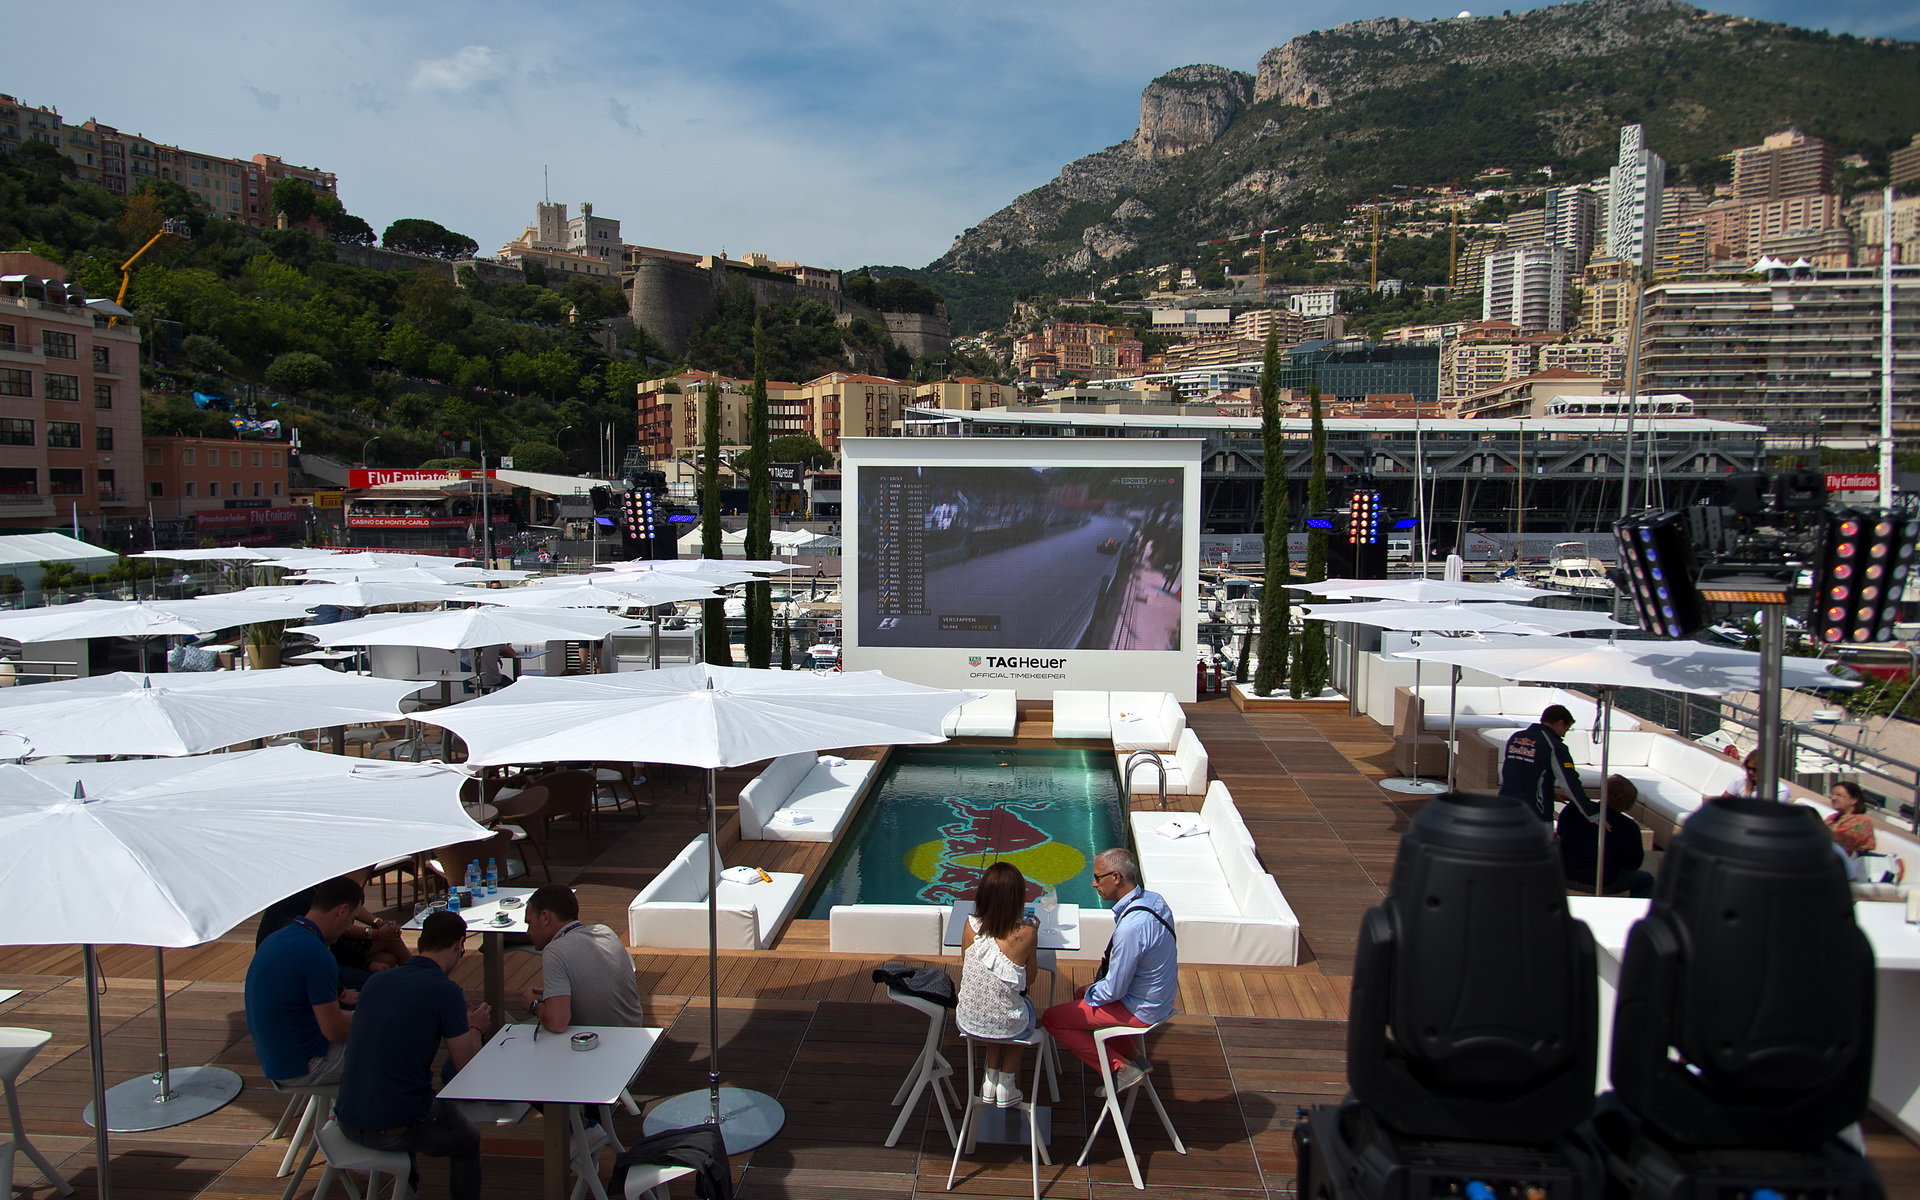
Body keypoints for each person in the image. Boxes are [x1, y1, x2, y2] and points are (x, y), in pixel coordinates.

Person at [336, 911, 490, 1200]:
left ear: (421, 942)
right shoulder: (444, 991)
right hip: (394, 1126)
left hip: (347, 1116)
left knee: (408, 1096)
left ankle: (410, 1188)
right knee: (468, 1140)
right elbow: (466, 1067)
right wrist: (475, 1027)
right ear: (459, 945)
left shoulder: (377, 982)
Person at [1040, 848, 1177, 1093]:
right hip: (1160, 998)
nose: (1093, 884)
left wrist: (1094, 991)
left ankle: (1119, 1069)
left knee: (1052, 1018)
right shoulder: (1154, 901)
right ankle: (1133, 1056)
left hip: (1140, 1009)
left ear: (1116, 878)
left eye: (1097, 877)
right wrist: (1090, 992)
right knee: (1082, 993)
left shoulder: (1130, 929)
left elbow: (1114, 990)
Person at [244, 875, 364, 1088]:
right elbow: (334, 1030)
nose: (348, 927)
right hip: (303, 1066)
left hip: (276, 1058)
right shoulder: (316, 954)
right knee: (397, 1046)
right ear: (342, 911)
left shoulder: (278, 937)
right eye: (351, 919)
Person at [955, 862, 1040, 1108]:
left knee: (994, 1002)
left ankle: (991, 1074)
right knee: (1024, 1010)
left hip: (969, 1018)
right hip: (1004, 1024)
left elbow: (967, 962)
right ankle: (1007, 1082)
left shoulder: (970, 925)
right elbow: (1030, 978)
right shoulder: (1026, 933)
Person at [255, 866, 409, 987]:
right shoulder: (307, 937)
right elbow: (332, 1024)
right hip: (297, 969)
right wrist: (375, 934)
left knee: (385, 960)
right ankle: (421, 975)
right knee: (380, 982)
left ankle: (417, 976)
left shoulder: (318, 892)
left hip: (289, 969)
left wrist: (368, 962)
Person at [521, 884, 646, 1032]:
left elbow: (557, 1023)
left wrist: (533, 1004)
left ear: (545, 917)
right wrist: (554, 993)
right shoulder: (605, 932)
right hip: (634, 1036)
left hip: (602, 1043)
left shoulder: (555, 951)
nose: (528, 932)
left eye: (530, 923)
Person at [1555, 775, 1655, 898]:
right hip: (1602, 882)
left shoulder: (1574, 809)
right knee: (1646, 879)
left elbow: (1560, 836)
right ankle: (1637, 912)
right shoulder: (1629, 827)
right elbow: (1633, 864)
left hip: (1564, 875)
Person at [1500, 704, 1593, 824]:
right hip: (1535, 815)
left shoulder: (1516, 737)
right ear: (1560, 723)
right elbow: (1570, 782)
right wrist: (1592, 814)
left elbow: (1517, 774)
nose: (1564, 734)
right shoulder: (1554, 745)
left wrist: (1550, 794)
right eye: (1566, 729)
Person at [1711, 748, 1792, 803]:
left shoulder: (1780, 791)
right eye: (1748, 768)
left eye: (1755, 770)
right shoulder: (1739, 781)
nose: (1750, 772)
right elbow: (1721, 803)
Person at [1828, 780, 1877, 864]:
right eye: (1832, 794)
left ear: (1853, 800)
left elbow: (1839, 842)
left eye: (1838, 795)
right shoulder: (1833, 817)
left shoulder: (1861, 822)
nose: (1833, 798)